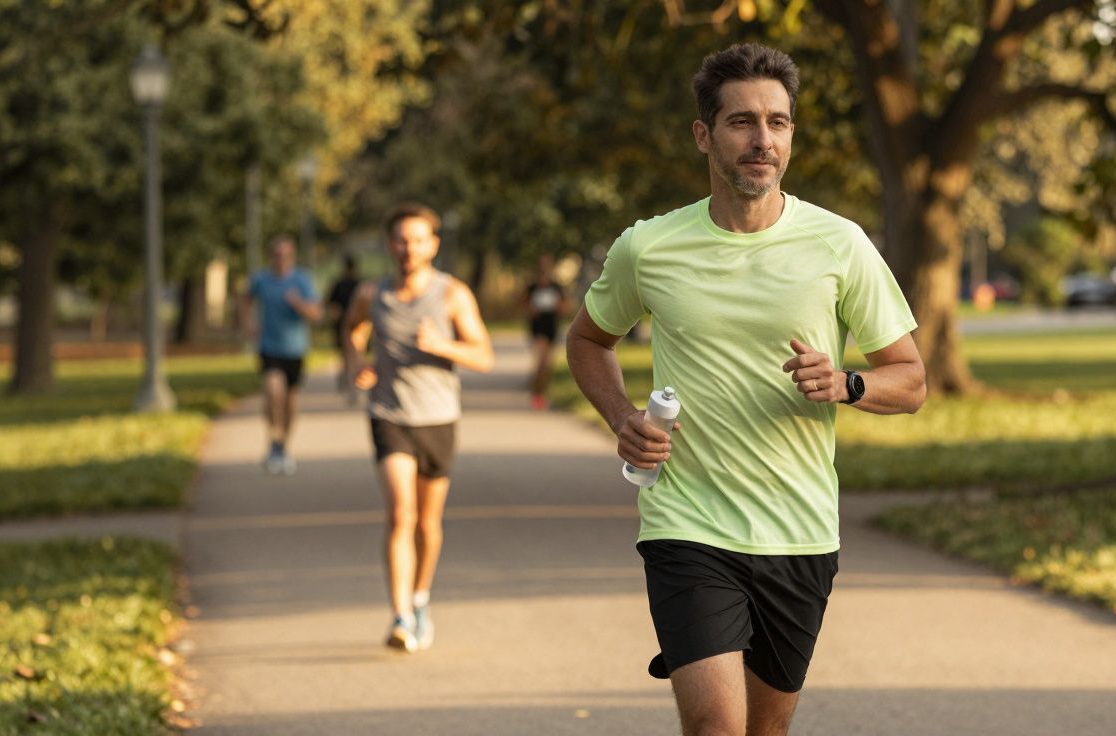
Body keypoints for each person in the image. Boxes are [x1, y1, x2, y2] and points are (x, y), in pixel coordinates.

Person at [566, 44, 926, 735]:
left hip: (799, 533)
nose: (763, 140)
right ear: (704, 134)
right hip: (688, 525)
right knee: (715, 729)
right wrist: (621, 416)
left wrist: (847, 383)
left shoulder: (840, 244)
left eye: (779, 123)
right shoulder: (649, 247)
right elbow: (587, 339)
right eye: (742, 122)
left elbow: (910, 380)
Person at [341, 203, 494, 653]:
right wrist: (357, 364)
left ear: (433, 245)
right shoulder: (372, 293)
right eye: (401, 240)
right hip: (389, 415)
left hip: (438, 418)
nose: (409, 248)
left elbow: (483, 356)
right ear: (389, 245)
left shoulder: (452, 294)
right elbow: (352, 328)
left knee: (428, 522)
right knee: (400, 514)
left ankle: (421, 598)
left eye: (418, 240)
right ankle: (400, 614)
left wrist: (440, 345)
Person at [241, 235, 322, 475]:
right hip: (269, 347)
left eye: (286, 255)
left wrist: (298, 303)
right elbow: (245, 300)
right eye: (277, 254)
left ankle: (282, 446)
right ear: (271, 256)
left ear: (292, 256)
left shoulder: (301, 280)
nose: (281, 259)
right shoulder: (261, 280)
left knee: (289, 402)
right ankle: (273, 438)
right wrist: (248, 325)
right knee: (272, 391)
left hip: (295, 349)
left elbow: (316, 314)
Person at [523, 253, 570, 410]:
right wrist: (532, 309)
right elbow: (523, 305)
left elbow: (565, 308)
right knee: (541, 362)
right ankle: (537, 394)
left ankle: (542, 393)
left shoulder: (557, 287)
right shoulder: (532, 286)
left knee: (548, 365)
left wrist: (557, 306)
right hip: (537, 329)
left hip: (552, 328)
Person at [327, 254, 362, 400]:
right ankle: (349, 380)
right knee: (351, 354)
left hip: (355, 324)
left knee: (352, 354)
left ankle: (350, 380)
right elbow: (331, 304)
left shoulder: (355, 284)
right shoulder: (351, 284)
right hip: (347, 324)